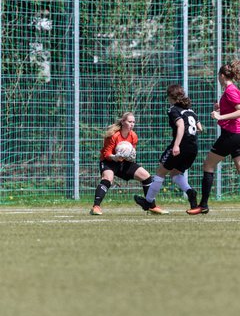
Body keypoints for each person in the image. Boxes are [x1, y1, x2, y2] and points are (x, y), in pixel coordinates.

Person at [134, 84, 202, 213]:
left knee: (160, 172)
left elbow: (181, 125)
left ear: (172, 97)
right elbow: (200, 128)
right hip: (193, 148)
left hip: (181, 146)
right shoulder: (190, 111)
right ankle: (190, 192)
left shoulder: (173, 109)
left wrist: (176, 145)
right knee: (175, 173)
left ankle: (148, 202)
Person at [187, 60, 240, 215]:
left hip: (231, 135)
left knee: (208, 166)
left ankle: (203, 205)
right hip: (235, 134)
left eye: (218, 75)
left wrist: (220, 116)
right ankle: (203, 205)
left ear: (222, 75)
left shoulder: (231, 90)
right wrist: (220, 109)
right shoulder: (229, 90)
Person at [90, 112, 167, 215]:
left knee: (146, 176)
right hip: (109, 162)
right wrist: (115, 157)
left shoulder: (133, 136)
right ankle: (96, 207)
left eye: (133, 122)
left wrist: (131, 156)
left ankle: (151, 206)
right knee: (108, 179)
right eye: (129, 121)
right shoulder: (114, 135)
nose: (132, 124)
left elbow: (131, 152)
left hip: (124, 162)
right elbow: (106, 153)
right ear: (123, 122)